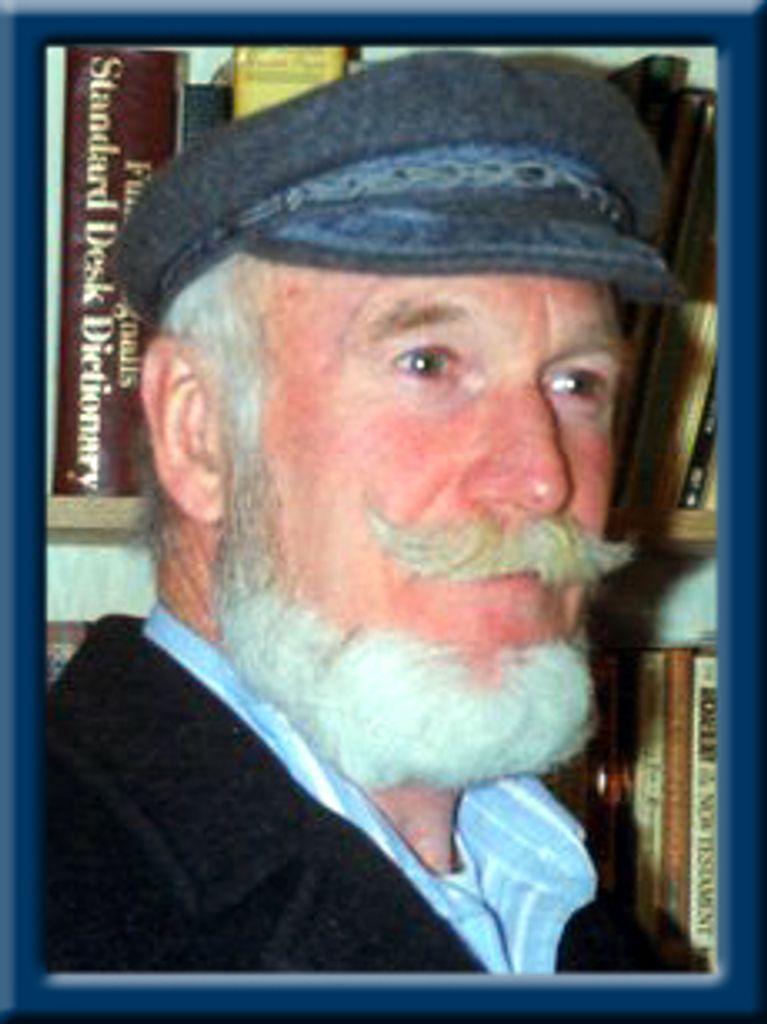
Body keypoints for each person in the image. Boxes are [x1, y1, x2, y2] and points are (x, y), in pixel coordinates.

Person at [46, 49, 679, 973]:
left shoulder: (561, 900)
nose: (542, 479)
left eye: (576, 383)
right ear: (198, 431)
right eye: (428, 364)